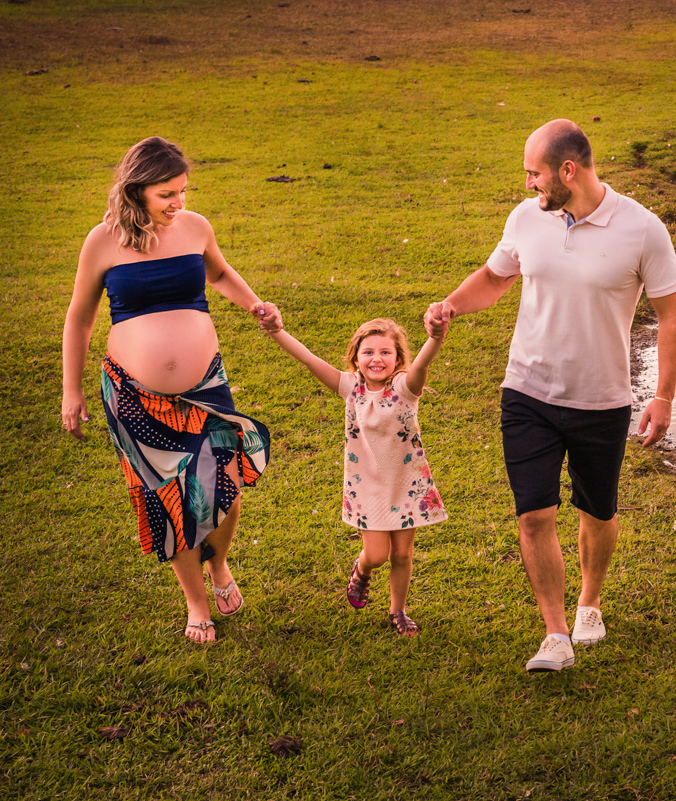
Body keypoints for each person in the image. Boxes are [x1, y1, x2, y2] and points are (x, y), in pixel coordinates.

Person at [424, 119, 676, 672]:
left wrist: (663, 396)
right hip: (527, 392)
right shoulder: (526, 219)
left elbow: (671, 315)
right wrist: (449, 305)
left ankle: (589, 602)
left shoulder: (642, 229)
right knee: (533, 515)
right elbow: (495, 278)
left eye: (534, 173)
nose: (528, 184)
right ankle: (555, 633)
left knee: (598, 509)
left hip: (602, 399)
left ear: (568, 171)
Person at [61, 136, 281, 643]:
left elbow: (219, 273)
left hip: (206, 386)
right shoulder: (102, 241)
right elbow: (80, 318)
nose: (178, 201)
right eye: (166, 194)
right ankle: (196, 602)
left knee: (225, 484)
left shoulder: (195, 227)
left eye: (183, 190)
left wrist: (255, 305)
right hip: (134, 396)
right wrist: (71, 390)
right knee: (170, 498)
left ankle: (218, 564)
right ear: (136, 190)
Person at [268, 317, 448, 636]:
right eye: (368, 352)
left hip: (406, 484)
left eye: (385, 352)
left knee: (402, 554)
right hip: (368, 486)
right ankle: (362, 568)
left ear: (398, 358)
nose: (377, 358)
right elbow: (308, 358)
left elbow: (422, 364)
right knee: (377, 555)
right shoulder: (350, 387)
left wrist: (435, 336)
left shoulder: (405, 388)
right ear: (355, 358)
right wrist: (276, 331)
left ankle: (398, 611)